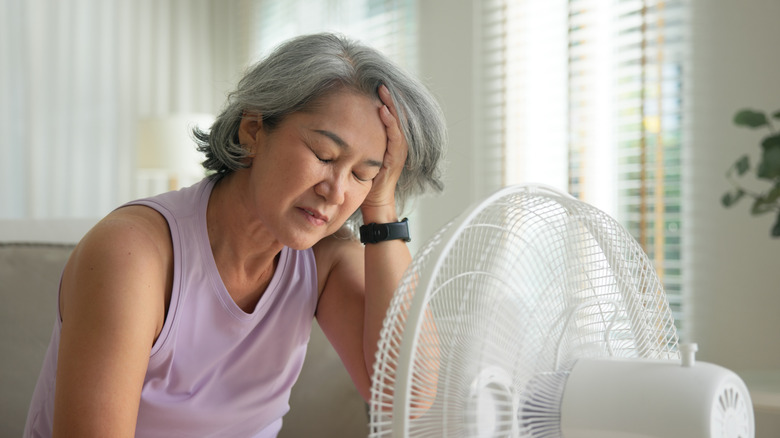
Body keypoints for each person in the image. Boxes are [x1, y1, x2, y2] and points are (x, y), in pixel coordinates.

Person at [24, 32, 446, 437]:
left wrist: (382, 211)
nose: (335, 191)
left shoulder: (325, 259)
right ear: (253, 129)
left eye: (362, 174)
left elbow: (407, 397)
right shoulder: (133, 254)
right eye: (323, 155)